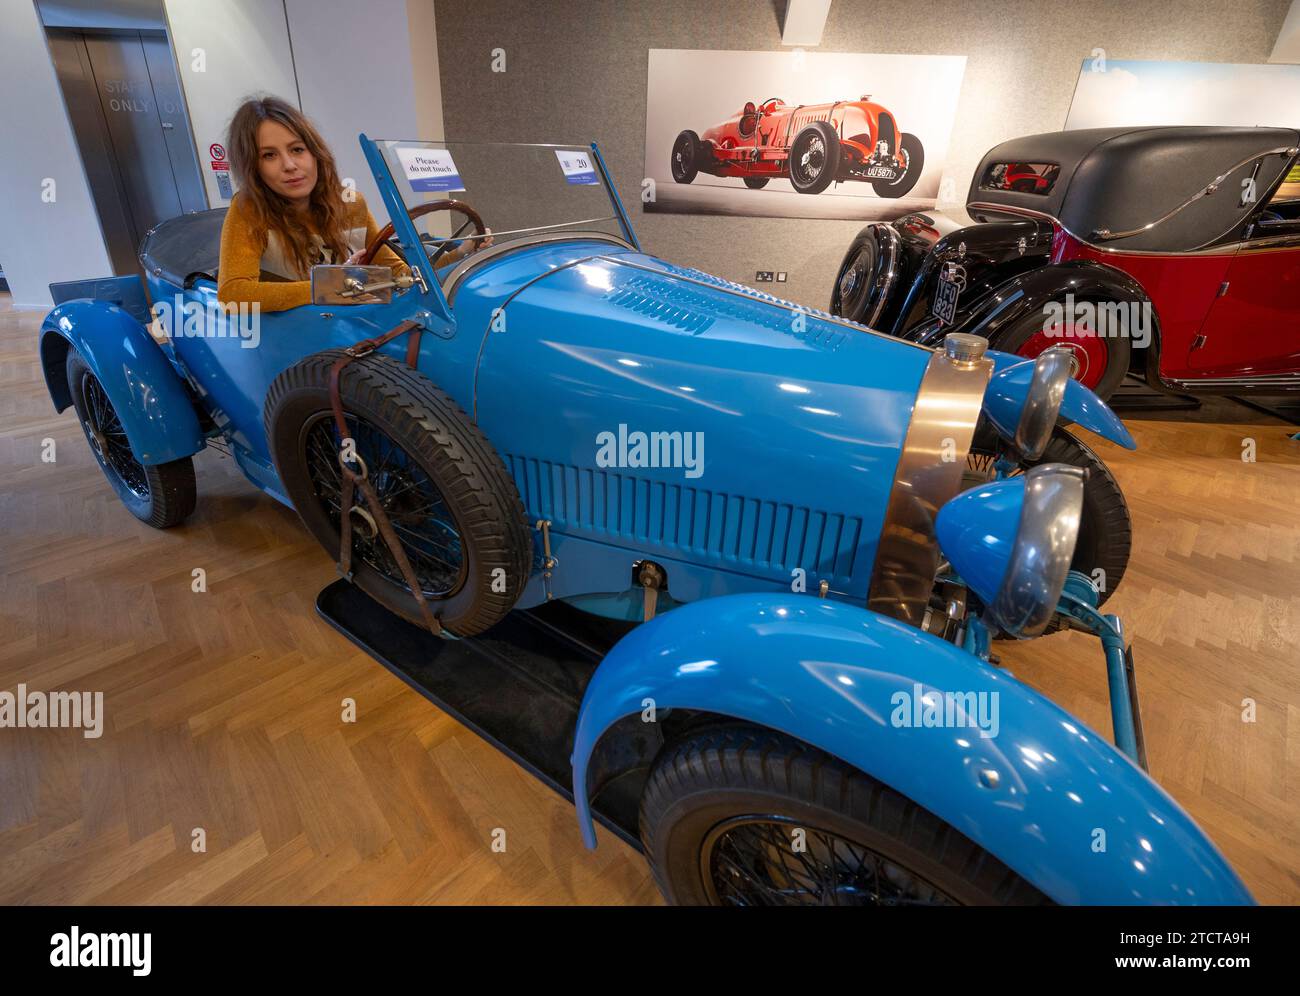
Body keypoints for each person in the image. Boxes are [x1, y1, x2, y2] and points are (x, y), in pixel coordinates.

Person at [217, 96, 484, 312]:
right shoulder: (249, 209)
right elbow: (233, 294)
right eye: (269, 155)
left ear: (315, 153)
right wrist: (332, 285)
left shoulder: (351, 203)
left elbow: (400, 273)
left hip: (347, 332)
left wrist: (461, 252)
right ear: (253, 166)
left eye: (297, 149)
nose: (289, 165)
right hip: (291, 346)